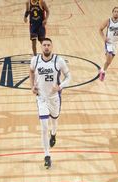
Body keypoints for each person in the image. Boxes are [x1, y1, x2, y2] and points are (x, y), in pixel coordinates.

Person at [28, 38, 70, 169]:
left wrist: (61, 86)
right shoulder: (35, 60)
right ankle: (47, 156)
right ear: (41, 47)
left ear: (52, 47)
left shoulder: (59, 61)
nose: (46, 47)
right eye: (44, 45)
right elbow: (30, 71)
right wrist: (31, 86)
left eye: (48, 45)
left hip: (54, 98)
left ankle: (54, 134)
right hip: (41, 98)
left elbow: (69, 76)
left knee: (54, 120)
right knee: (44, 127)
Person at [98, 6, 118, 82]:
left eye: (117, 12)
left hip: (116, 44)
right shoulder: (108, 20)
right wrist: (104, 38)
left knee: (108, 62)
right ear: (112, 12)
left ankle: (102, 70)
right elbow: (100, 30)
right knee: (109, 60)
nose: (116, 13)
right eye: (115, 11)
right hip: (109, 43)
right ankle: (103, 73)